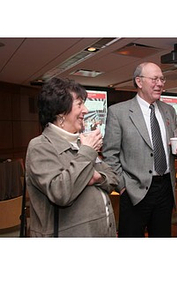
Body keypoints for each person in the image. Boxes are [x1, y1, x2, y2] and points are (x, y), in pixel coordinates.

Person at [25, 77, 119, 237]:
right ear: (61, 112)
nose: (86, 110)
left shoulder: (80, 141)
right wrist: (88, 152)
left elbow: (113, 179)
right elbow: (61, 193)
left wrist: (96, 178)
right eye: (80, 104)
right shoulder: (40, 146)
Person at [102, 62, 177, 237]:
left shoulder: (169, 110)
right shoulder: (119, 112)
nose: (160, 83)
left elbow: (172, 144)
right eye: (154, 79)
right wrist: (123, 187)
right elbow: (110, 155)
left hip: (165, 189)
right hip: (134, 191)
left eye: (162, 79)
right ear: (139, 82)